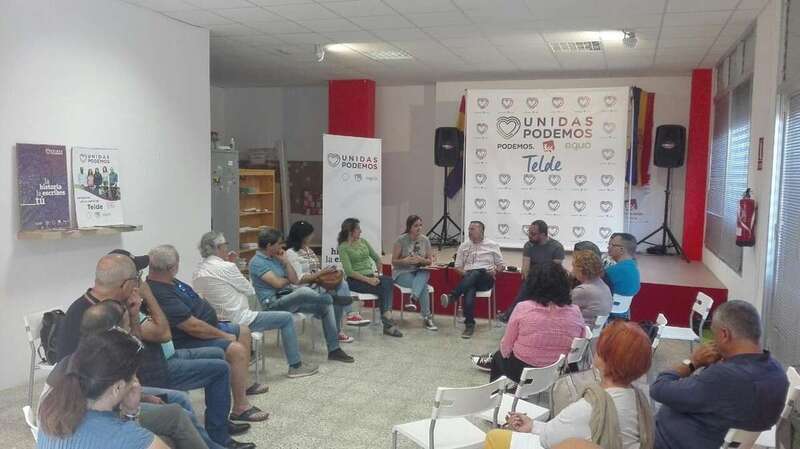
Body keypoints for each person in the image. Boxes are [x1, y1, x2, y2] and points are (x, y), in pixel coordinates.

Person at [76, 301, 248, 449]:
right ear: (115, 330)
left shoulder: (93, 350)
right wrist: (135, 409)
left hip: (119, 399)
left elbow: (124, 386)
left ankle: (211, 443)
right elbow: (114, 397)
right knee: (176, 414)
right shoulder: (110, 357)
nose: (129, 331)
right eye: (126, 327)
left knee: (180, 399)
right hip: (113, 406)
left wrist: (144, 397)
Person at [147, 245, 270, 424]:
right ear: (173, 267)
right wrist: (223, 335)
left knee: (243, 330)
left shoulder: (170, 281)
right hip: (190, 338)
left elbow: (194, 303)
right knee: (236, 349)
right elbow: (193, 327)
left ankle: (242, 385)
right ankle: (241, 408)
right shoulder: (160, 292)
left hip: (207, 327)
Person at [484, 320, 655, 449]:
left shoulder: (591, 407)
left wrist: (535, 428)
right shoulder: (641, 401)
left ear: (603, 359)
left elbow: (548, 440)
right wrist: (533, 425)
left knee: (495, 437)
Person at [650, 300, 789, 449]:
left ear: (724, 334)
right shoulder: (778, 373)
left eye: (714, 334)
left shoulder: (722, 377)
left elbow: (659, 388)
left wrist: (693, 362)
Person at [193, 230, 319, 377]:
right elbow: (248, 289)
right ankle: (296, 366)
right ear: (218, 248)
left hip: (218, 320)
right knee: (286, 318)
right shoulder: (227, 267)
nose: (227, 247)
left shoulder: (199, 270)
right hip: (240, 318)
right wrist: (232, 266)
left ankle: (251, 352)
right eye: (225, 244)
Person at [37, 330, 169, 449]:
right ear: (118, 387)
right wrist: (131, 413)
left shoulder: (51, 413)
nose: (136, 381)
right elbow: (128, 439)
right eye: (134, 375)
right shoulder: (128, 437)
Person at [248, 228, 355, 362]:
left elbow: (294, 280)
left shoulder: (276, 258)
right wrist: (286, 279)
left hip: (288, 298)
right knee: (303, 291)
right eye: (279, 243)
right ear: (269, 245)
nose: (282, 246)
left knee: (325, 307)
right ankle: (331, 298)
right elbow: (278, 284)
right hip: (273, 304)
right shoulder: (257, 262)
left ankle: (334, 350)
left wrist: (286, 262)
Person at [485, 263, 585, 380]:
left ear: (532, 285)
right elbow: (580, 341)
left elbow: (506, 347)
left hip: (523, 371)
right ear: (565, 285)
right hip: (558, 371)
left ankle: (498, 391)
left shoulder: (523, 307)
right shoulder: (575, 311)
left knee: (497, 358)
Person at [284, 221, 370, 342]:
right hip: (304, 290)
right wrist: (322, 273)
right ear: (302, 236)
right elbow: (299, 279)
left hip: (317, 284)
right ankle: (346, 320)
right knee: (337, 295)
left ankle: (346, 320)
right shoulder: (291, 253)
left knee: (340, 286)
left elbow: (315, 269)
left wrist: (328, 272)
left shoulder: (308, 250)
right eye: (310, 234)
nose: (312, 236)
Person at [338, 217, 403, 338]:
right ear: (350, 231)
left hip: (371, 276)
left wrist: (377, 273)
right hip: (355, 280)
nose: (361, 231)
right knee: (383, 288)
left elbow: (377, 258)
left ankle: (387, 316)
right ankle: (388, 322)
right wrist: (369, 280)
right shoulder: (343, 247)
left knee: (388, 280)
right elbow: (349, 271)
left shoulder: (363, 242)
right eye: (358, 228)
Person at [440, 221, 504, 339]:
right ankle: (469, 325)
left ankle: (453, 296)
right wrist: (467, 275)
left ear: (481, 231)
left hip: (486, 278)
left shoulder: (492, 245)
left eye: (472, 229)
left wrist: (495, 271)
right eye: (469, 229)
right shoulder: (464, 246)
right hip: (468, 279)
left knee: (476, 272)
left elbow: (501, 265)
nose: (469, 232)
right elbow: (457, 267)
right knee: (469, 291)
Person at [499, 220, 565, 322]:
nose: (529, 236)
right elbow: (525, 268)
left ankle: (510, 315)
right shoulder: (528, 245)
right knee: (526, 286)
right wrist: (531, 279)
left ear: (543, 234)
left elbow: (556, 271)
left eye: (533, 234)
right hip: (533, 278)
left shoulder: (557, 247)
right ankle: (512, 316)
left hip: (550, 279)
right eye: (529, 233)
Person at [392, 215, 437, 331]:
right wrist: (405, 261)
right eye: (416, 226)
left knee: (425, 273)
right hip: (402, 272)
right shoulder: (401, 240)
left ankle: (413, 298)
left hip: (419, 271)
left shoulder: (425, 240)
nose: (419, 228)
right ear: (409, 227)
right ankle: (427, 317)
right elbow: (394, 261)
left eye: (420, 225)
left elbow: (429, 261)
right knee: (423, 287)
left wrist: (421, 260)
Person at [570, 250, 613, 326]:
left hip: (583, 328)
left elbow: (564, 308)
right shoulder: (602, 284)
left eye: (573, 267)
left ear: (580, 270)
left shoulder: (583, 290)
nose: (572, 271)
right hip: (597, 328)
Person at [605, 233, 641, 297]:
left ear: (621, 249)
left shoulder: (613, 271)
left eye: (612, 245)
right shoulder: (634, 268)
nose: (608, 247)